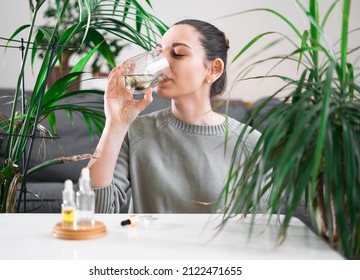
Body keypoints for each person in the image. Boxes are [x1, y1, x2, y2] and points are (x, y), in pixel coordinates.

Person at [87, 19, 261, 213]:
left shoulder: (250, 143)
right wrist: (115, 125)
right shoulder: (136, 132)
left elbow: (263, 229)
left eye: (178, 54)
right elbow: (92, 213)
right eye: (159, 53)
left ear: (214, 69)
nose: (161, 64)